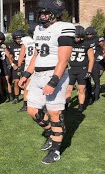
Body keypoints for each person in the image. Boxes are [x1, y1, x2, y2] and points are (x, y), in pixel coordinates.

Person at [19, 0, 75, 164]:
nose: (42, 15)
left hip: (55, 74)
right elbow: (36, 54)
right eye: (40, 12)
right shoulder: (38, 29)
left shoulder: (64, 27)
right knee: (32, 111)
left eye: (45, 12)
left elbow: (63, 60)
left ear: (55, 14)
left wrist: (53, 82)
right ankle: (53, 133)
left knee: (54, 114)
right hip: (38, 74)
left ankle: (55, 150)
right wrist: (26, 74)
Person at [65, 25, 94, 113]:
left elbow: (91, 59)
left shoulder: (87, 44)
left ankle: (80, 107)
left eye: (77, 36)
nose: (76, 38)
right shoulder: (70, 43)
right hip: (72, 69)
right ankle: (65, 105)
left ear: (82, 36)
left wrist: (89, 71)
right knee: (68, 89)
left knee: (81, 89)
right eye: (75, 36)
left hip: (82, 69)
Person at [18, 22, 37, 112]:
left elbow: (21, 54)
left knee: (27, 86)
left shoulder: (26, 40)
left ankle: (26, 104)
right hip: (37, 65)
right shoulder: (40, 38)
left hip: (29, 65)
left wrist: (19, 66)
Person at [5, 30, 26, 104]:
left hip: (24, 64)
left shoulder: (25, 44)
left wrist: (24, 59)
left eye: (20, 38)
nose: (19, 40)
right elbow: (10, 57)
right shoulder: (12, 46)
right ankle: (16, 98)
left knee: (26, 82)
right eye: (17, 38)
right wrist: (13, 65)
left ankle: (26, 98)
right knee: (16, 81)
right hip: (16, 65)